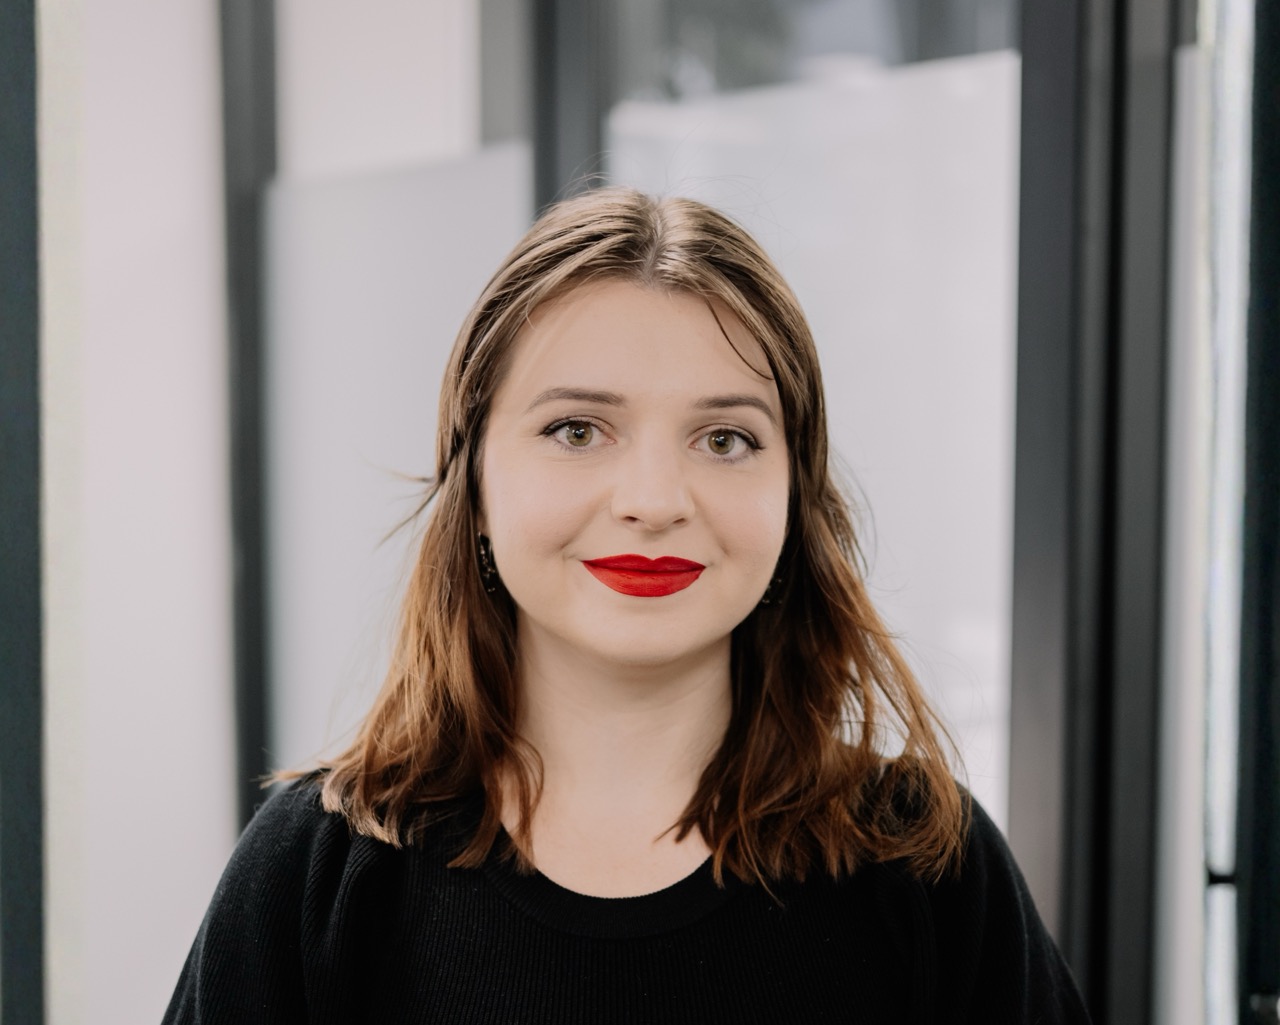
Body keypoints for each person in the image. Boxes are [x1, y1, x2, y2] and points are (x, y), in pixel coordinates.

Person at [164, 188, 1090, 1023]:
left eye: (725, 438)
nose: (654, 498)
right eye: (576, 430)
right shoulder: (322, 869)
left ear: (794, 497)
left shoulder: (922, 866)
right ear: (476, 481)